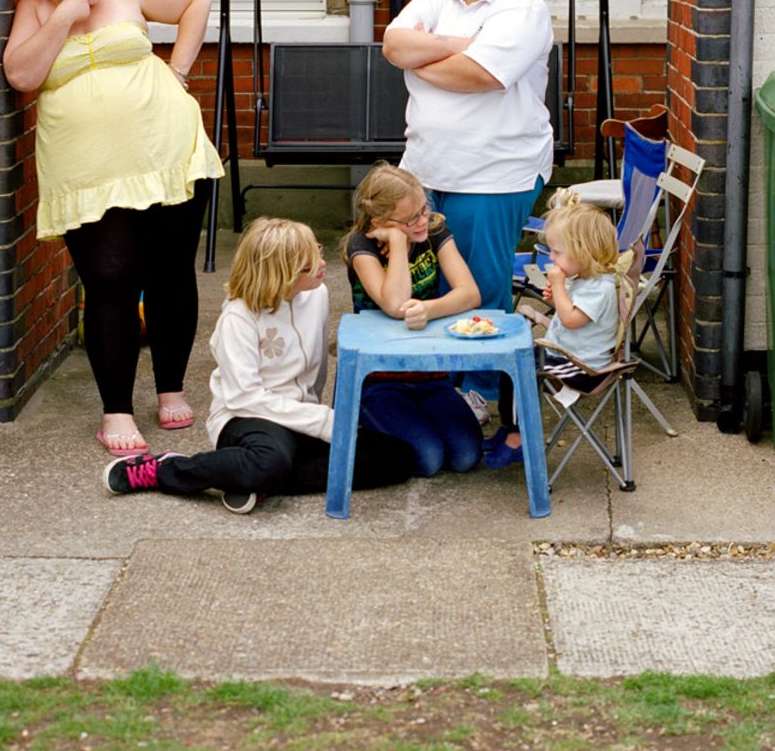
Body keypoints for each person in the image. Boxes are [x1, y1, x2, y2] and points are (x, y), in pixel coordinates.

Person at [2, 0, 224, 457]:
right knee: (110, 278)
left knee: (172, 273)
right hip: (89, 172)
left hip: (168, 153)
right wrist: (66, 15)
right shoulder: (35, 11)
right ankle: (116, 410)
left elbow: (195, 3)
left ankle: (170, 387)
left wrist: (179, 69)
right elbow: (23, 76)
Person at [103, 218, 415, 509]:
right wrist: (321, 422)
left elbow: (316, 373)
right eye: (311, 262)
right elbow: (244, 397)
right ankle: (165, 469)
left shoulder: (317, 294)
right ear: (285, 273)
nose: (323, 264)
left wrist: (315, 418)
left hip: (299, 418)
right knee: (270, 462)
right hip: (247, 418)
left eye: (317, 251)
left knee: (396, 456)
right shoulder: (238, 318)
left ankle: (253, 479)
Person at [381, 0, 554, 419]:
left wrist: (423, 61)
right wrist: (457, 47)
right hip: (429, 169)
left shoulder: (522, 8)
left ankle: (484, 389)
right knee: (434, 280)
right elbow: (392, 44)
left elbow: (481, 76)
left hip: (494, 172)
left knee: (480, 282)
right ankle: (447, 382)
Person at [341, 163, 485, 477]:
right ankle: (366, 418)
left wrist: (430, 309)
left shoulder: (433, 231)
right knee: (428, 459)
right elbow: (394, 303)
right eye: (410, 219)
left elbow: (470, 293)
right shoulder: (361, 246)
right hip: (379, 380)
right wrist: (396, 242)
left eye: (424, 210)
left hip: (431, 376)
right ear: (379, 220)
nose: (422, 221)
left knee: (466, 456)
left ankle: (421, 418)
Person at [484, 194, 623, 469]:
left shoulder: (600, 288)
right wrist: (555, 296)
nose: (552, 258)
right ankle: (511, 426)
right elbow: (569, 311)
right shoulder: (585, 279)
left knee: (516, 365)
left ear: (584, 251)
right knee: (510, 361)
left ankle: (517, 438)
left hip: (582, 369)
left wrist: (559, 288)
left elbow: (571, 320)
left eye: (558, 252)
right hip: (567, 354)